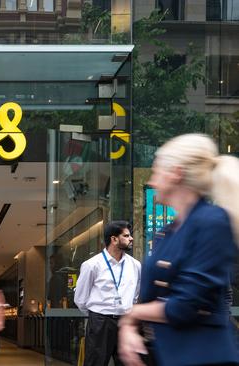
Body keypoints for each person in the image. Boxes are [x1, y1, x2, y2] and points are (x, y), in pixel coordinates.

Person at [118, 134, 239, 366]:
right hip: (173, 355)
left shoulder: (212, 222)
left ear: (176, 173)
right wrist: (130, 326)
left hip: (205, 357)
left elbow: (185, 305)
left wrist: (131, 315)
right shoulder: (166, 232)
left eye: (156, 172)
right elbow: (150, 295)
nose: (152, 181)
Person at [74, 220, 141, 366]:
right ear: (114, 239)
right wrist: (96, 314)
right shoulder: (92, 265)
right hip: (100, 322)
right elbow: (80, 298)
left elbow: (135, 295)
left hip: (126, 321)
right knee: (95, 362)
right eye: (126, 235)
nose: (131, 239)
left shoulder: (135, 265)